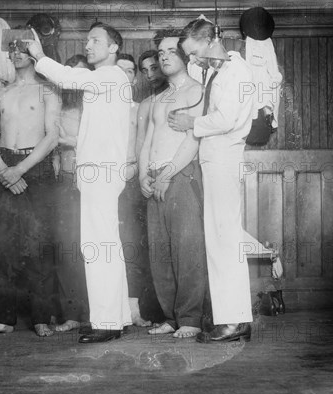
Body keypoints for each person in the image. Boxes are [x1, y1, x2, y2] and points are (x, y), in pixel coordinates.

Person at [25, 22, 132, 343]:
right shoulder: (106, 80)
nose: (88, 45)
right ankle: (118, 317)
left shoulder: (110, 77)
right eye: (86, 40)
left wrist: (39, 56)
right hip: (99, 171)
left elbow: (70, 77)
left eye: (96, 40)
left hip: (100, 171)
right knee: (107, 245)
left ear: (114, 48)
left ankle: (107, 322)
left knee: (98, 246)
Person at [169, 18, 257, 343]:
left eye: (194, 53)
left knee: (226, 240)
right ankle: (230, 319)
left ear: (210, 42)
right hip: (212, 159)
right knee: (219, 240)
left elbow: (228, 118)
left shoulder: (236, 71)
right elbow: (194, 71)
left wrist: (191, 122)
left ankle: (234, 321)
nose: (191, 61)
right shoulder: (214, 69)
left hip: (224, 158)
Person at [0, 35, 62, 337]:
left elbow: (52, 136)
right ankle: (3, 318)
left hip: (35, 167)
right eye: (11, 48)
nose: (16, 53)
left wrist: (21, 169)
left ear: (35, 52)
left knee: (39, 245)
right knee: (4, 244)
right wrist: (5, 171)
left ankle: (41, 317)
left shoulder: (48, 89)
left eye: (22, 47)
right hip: (4, 166)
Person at [139, 30, 207, 339]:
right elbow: (148, 141)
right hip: (154, 178)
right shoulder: (159, 98)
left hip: (180, 176)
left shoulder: (196, 91)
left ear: (185, 55)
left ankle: (190, 319)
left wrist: (166, 174)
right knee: (160, 253)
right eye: (160, 52)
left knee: (186, 250)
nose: (163, 56)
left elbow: (192, 141)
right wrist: (144, 175)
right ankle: (171, 316)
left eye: (170, 50)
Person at [115, 53, 160, 327]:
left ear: (134, 78)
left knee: (134, 244)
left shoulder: (139, 108)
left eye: (130, 72)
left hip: (132, 179)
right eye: (119, 71)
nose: (124, 76)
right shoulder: (97, 107)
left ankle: (135, 309)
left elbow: (145, 144)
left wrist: (132, 170)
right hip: (103, 181)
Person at [51, 55, 93, 333]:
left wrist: (67, 140)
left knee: (94, 249)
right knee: (67, 249)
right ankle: (72, 313)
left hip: (95, 181)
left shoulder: (97, 106)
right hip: (66, 182)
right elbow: (52, 146)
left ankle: (97, 312)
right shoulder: (59, 109)